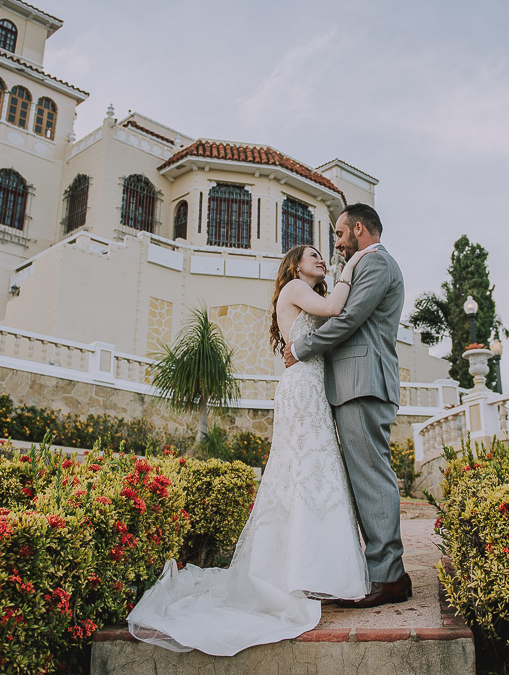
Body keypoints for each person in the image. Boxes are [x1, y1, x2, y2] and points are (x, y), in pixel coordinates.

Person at [126, 242, 377, 656]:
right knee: (305, 469)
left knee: (313, 471)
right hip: (301, 390)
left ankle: (311, 570)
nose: (318, 258)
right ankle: (302, 572)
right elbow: (335, 308)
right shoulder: (296, 288)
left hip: (310, 387)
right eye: (310, 253)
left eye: (321, 254)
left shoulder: (302, 294)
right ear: (294, 265)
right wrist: (348, 268)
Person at [285, 203, 410, 609]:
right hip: (352, 385)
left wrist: (301, 348)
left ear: (358, 229)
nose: (336, 244)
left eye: (339, 235)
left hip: (363, 383)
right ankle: (383, 571)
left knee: (372, 478)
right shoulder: (362, 265)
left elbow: (348, 319)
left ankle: (389, 577)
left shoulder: (375, 264)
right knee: (363, 480)